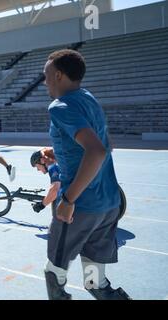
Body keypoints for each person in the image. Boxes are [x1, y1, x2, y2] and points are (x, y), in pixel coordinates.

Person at [42, 49, 131, 300]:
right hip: (109, 204)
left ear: (58, 75)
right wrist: (61, 154)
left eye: (46, 75)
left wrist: (68, 200)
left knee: (54, 277)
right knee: (95, 281)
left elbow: (97, 150)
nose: (45, 81)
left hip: (80, 208)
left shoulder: (59, 107)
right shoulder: (89, 99)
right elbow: (105, 144)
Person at [30, 148, 61, 214]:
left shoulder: (53, 167)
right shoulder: (57, 162)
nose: (38, 170)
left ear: (42, 161)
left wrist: (42, 204)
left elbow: (55, 189)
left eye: (37, 166)